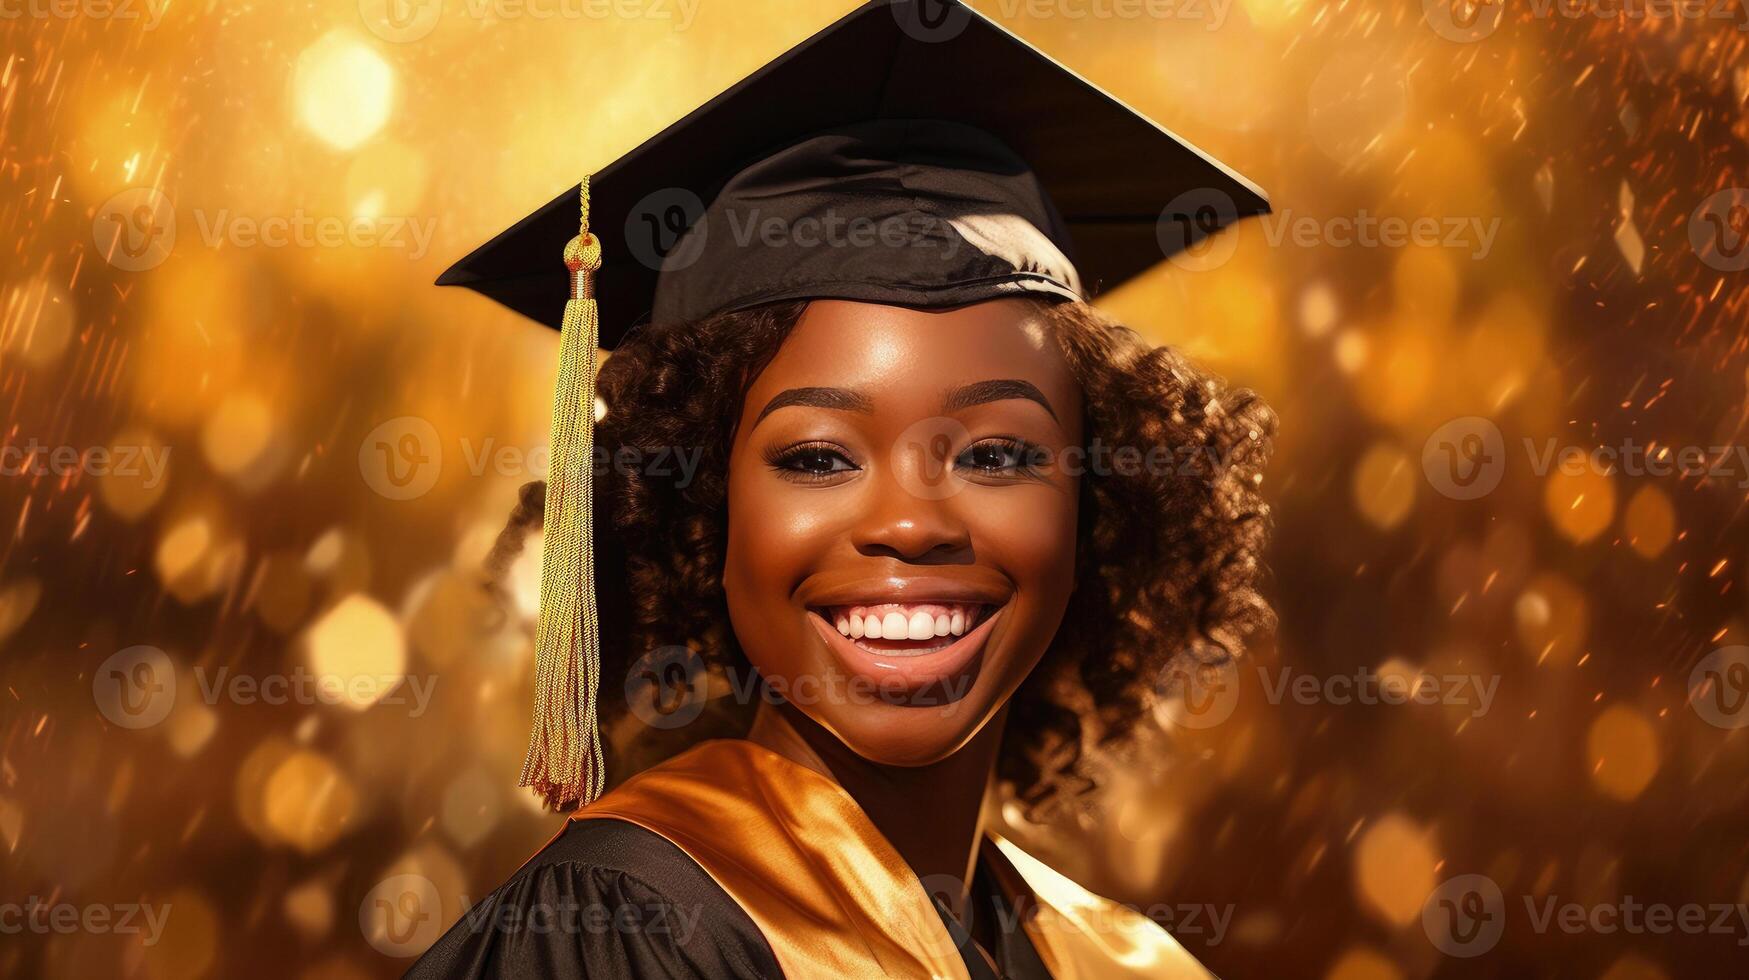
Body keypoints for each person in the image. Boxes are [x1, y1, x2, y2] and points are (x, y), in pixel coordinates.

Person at [408, 1, 1274, 976]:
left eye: (996, 454)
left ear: (1100, 507)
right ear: (698, 512)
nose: (910, 523)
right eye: (817, 455)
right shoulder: (616, 932)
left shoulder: (1122, 960)